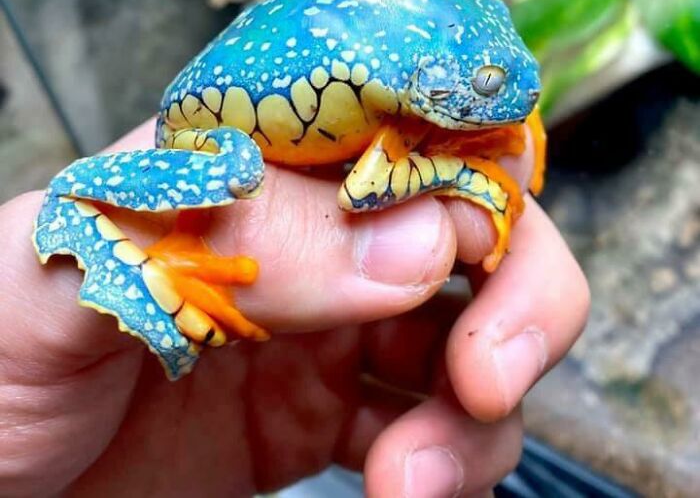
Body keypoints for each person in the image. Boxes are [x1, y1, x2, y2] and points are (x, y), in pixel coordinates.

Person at [0, 118, 589, 498]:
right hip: (219, 152)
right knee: (229, 173)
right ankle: (129, 247)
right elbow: (366, 187)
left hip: (226, 400)